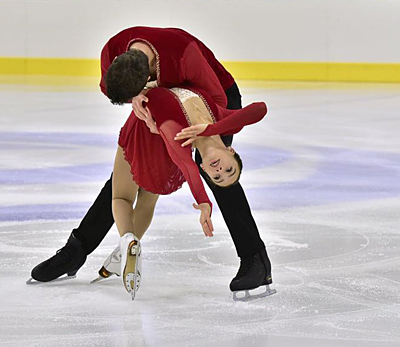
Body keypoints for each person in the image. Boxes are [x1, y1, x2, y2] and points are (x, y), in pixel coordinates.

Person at [30, 26, 273, 296]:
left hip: (214, 97)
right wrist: (139, 101)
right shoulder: (114, 49)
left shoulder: (184, 56)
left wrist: (203, 131)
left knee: (217, 169)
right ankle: (76, 251)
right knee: (129, 169)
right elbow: (111, 88)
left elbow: (214, 99)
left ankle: (256, 260)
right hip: (163, 105)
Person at [111, 83, 269, 299]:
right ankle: (128, 246)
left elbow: (188, 167)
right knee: (147, 200)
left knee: (121, 196)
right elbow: (260, 109)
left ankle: (127, 240)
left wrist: (204, 202)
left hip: (144, 132)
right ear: (231, 150)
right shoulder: (221, 119)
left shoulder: (180, 137)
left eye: (217, 177)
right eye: (229, 169)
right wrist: (212, 129)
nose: (220, 170)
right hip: (158, 136)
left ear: (203, 168)